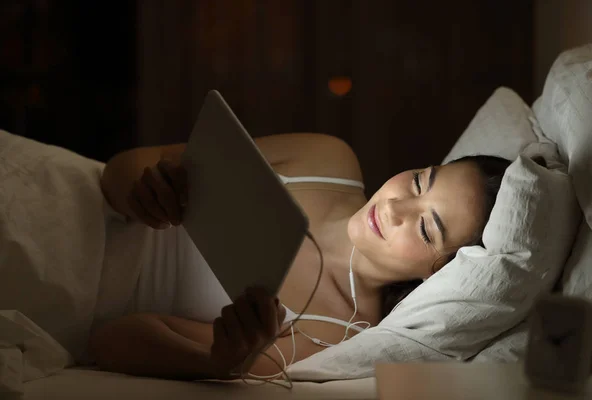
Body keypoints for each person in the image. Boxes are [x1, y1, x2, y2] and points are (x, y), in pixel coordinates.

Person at [90, 133, 511, 380]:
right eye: (420, 182)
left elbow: (108, 343)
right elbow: (123, 168)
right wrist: (143, 188)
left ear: (436, 276)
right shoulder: (329, 160)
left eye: (426, 229)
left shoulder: (340, 333)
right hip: (75, 198)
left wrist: (217, 363)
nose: (395, 208)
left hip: (70, 290)